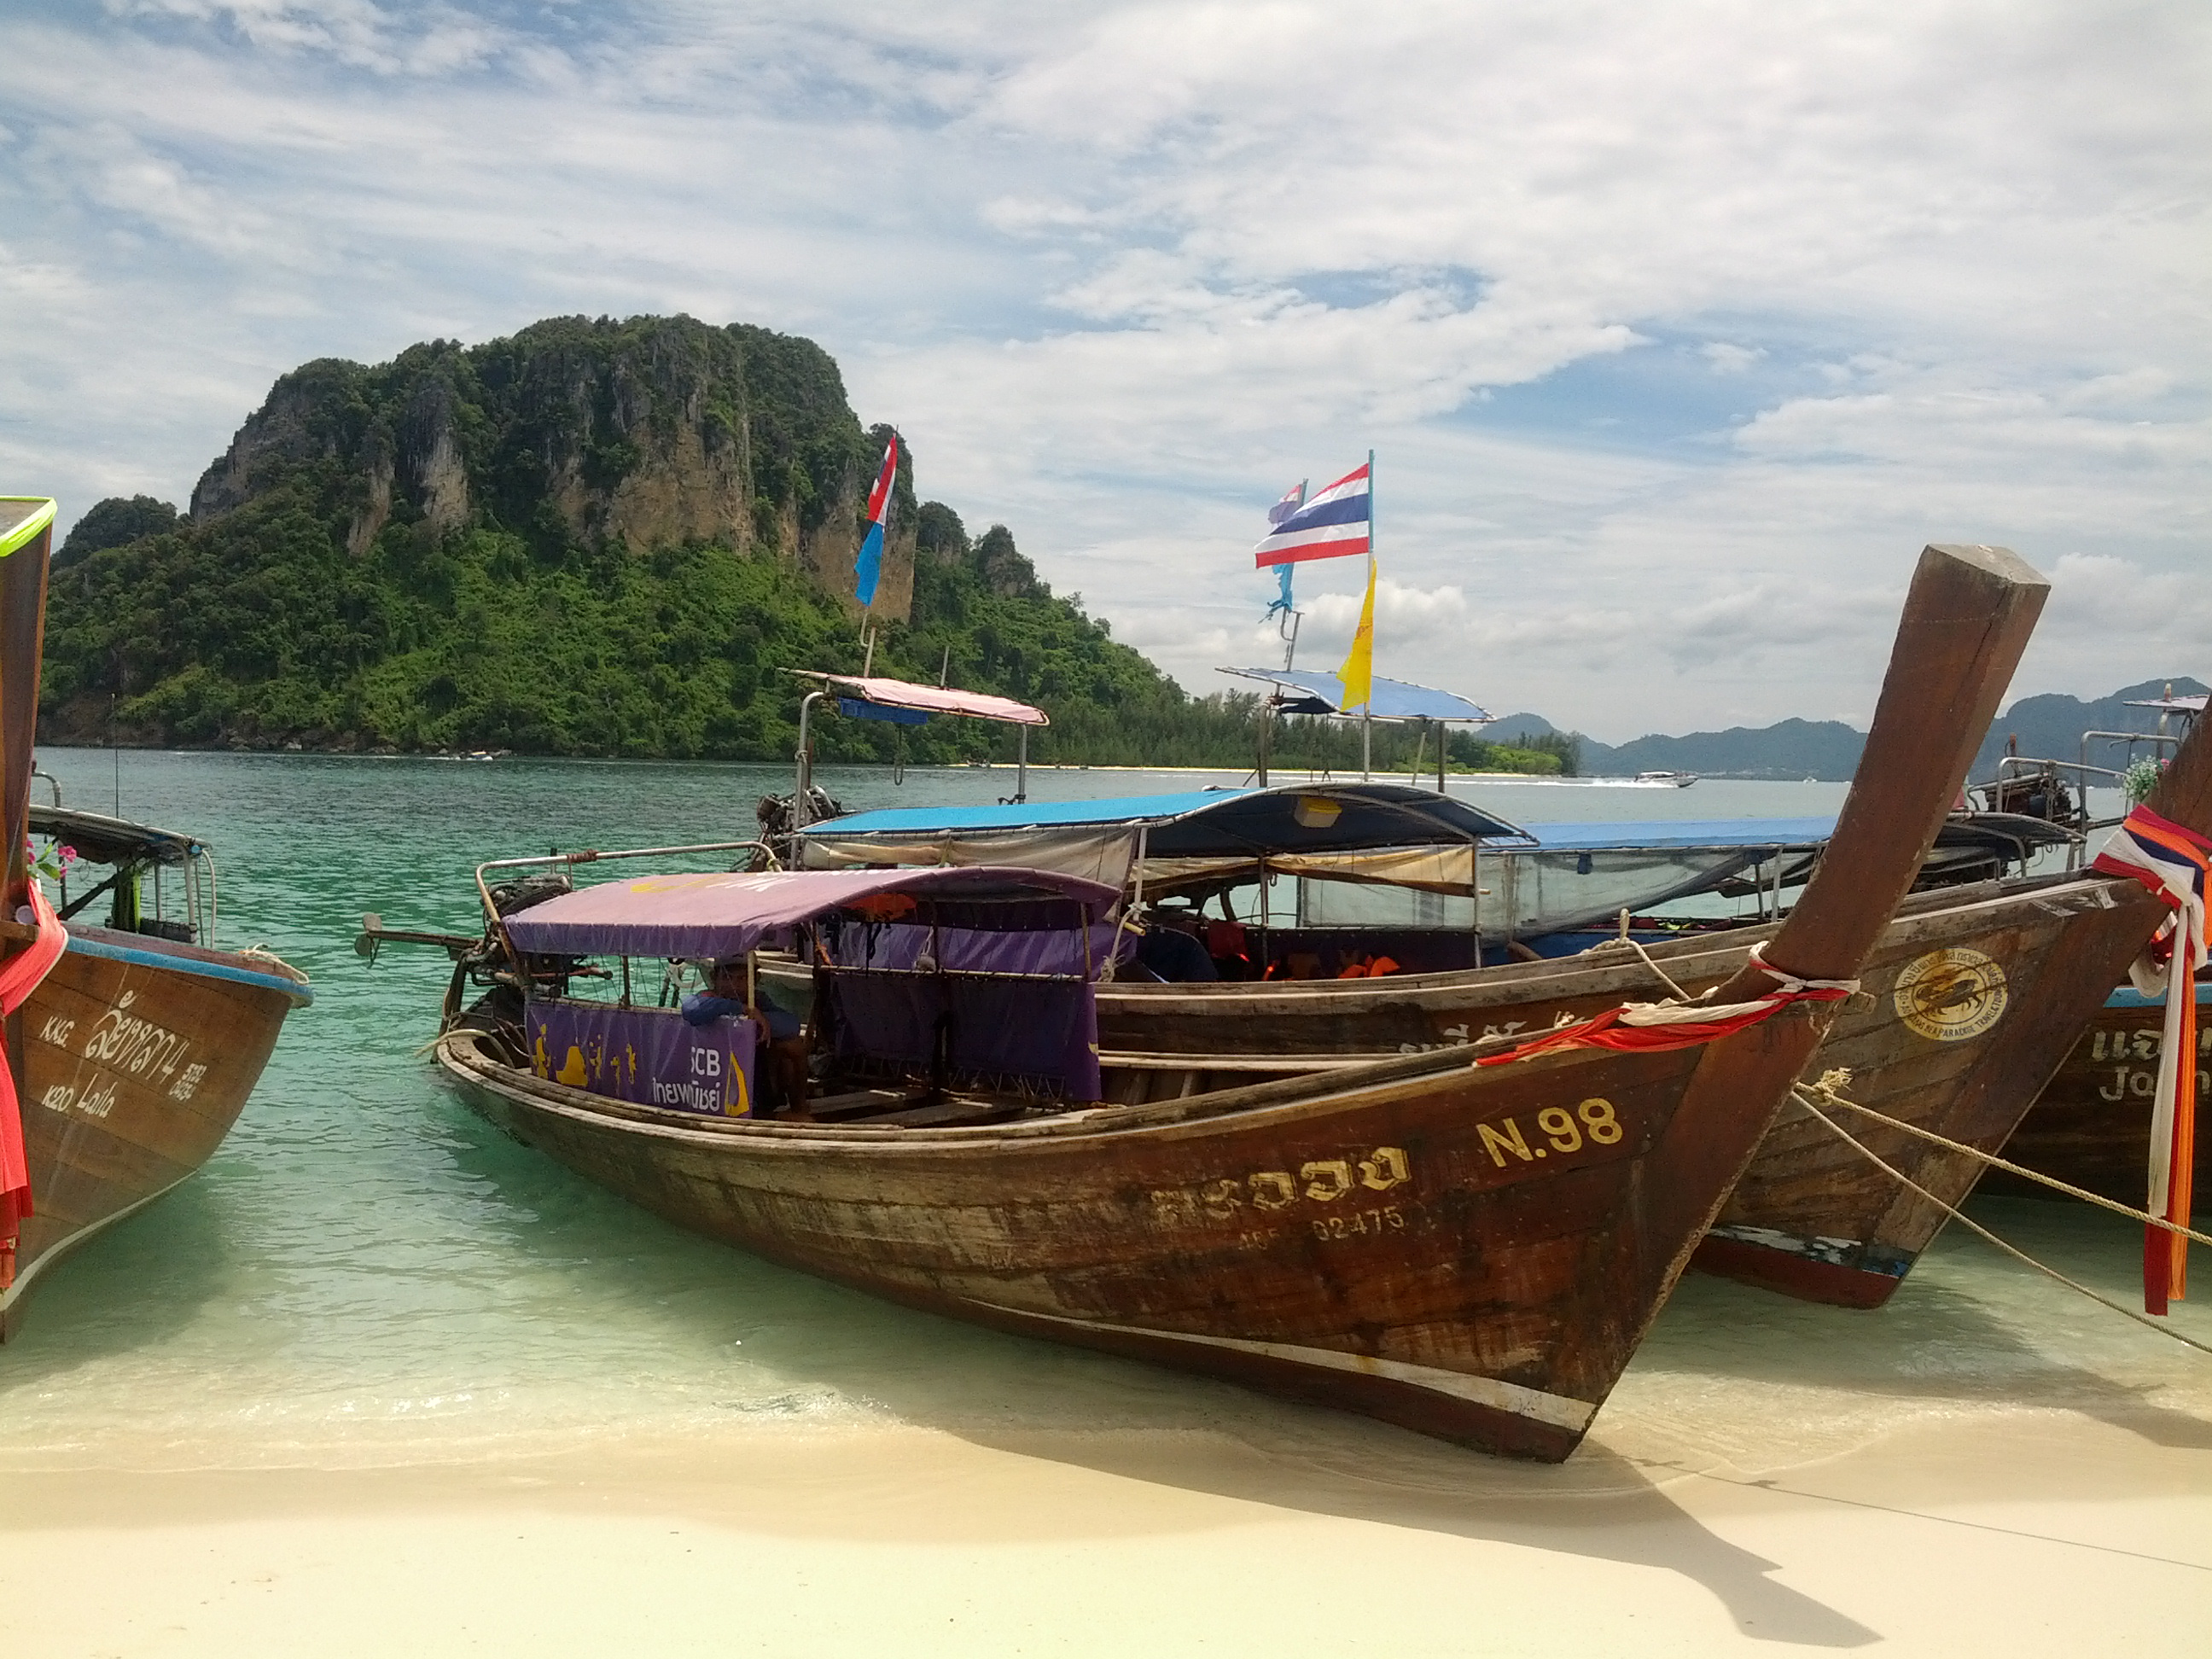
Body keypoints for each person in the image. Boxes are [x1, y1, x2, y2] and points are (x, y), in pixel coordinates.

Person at [682, 957, 808, 1115]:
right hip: (715, 1074)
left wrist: (760, 1020)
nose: (734, 985)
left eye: (742, 978)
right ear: (714, 978)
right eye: (727, 978)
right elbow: (690, 1009)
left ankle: (798, 1110)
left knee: (793, 1045)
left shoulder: (758, 1000)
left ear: (755, 979)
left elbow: (791, 1026)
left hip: (753, 1071)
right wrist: (741, 1009)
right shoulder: (708, 998)